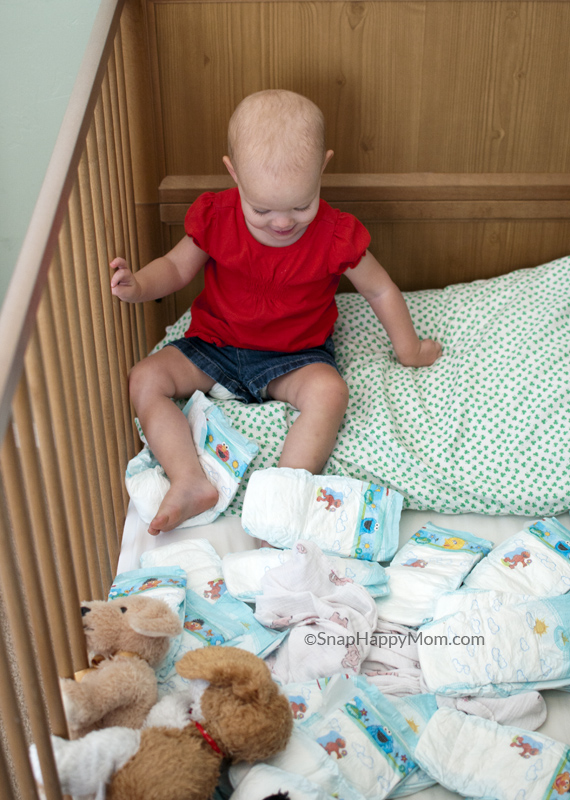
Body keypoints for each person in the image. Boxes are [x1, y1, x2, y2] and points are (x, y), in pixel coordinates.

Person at [111, 90, 441, 535]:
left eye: (301, 206)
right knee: (144, 378)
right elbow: (174, 267)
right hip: (214, 346)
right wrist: (139, 286)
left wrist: (410, 349)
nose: (282, 223)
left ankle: (280, 502)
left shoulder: (335, 234)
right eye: (261, 209)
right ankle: (189, 480)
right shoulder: (215, 215)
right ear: (234, 174)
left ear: (322, 169)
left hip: (295, 358)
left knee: (330, 394)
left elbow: (380, 290)